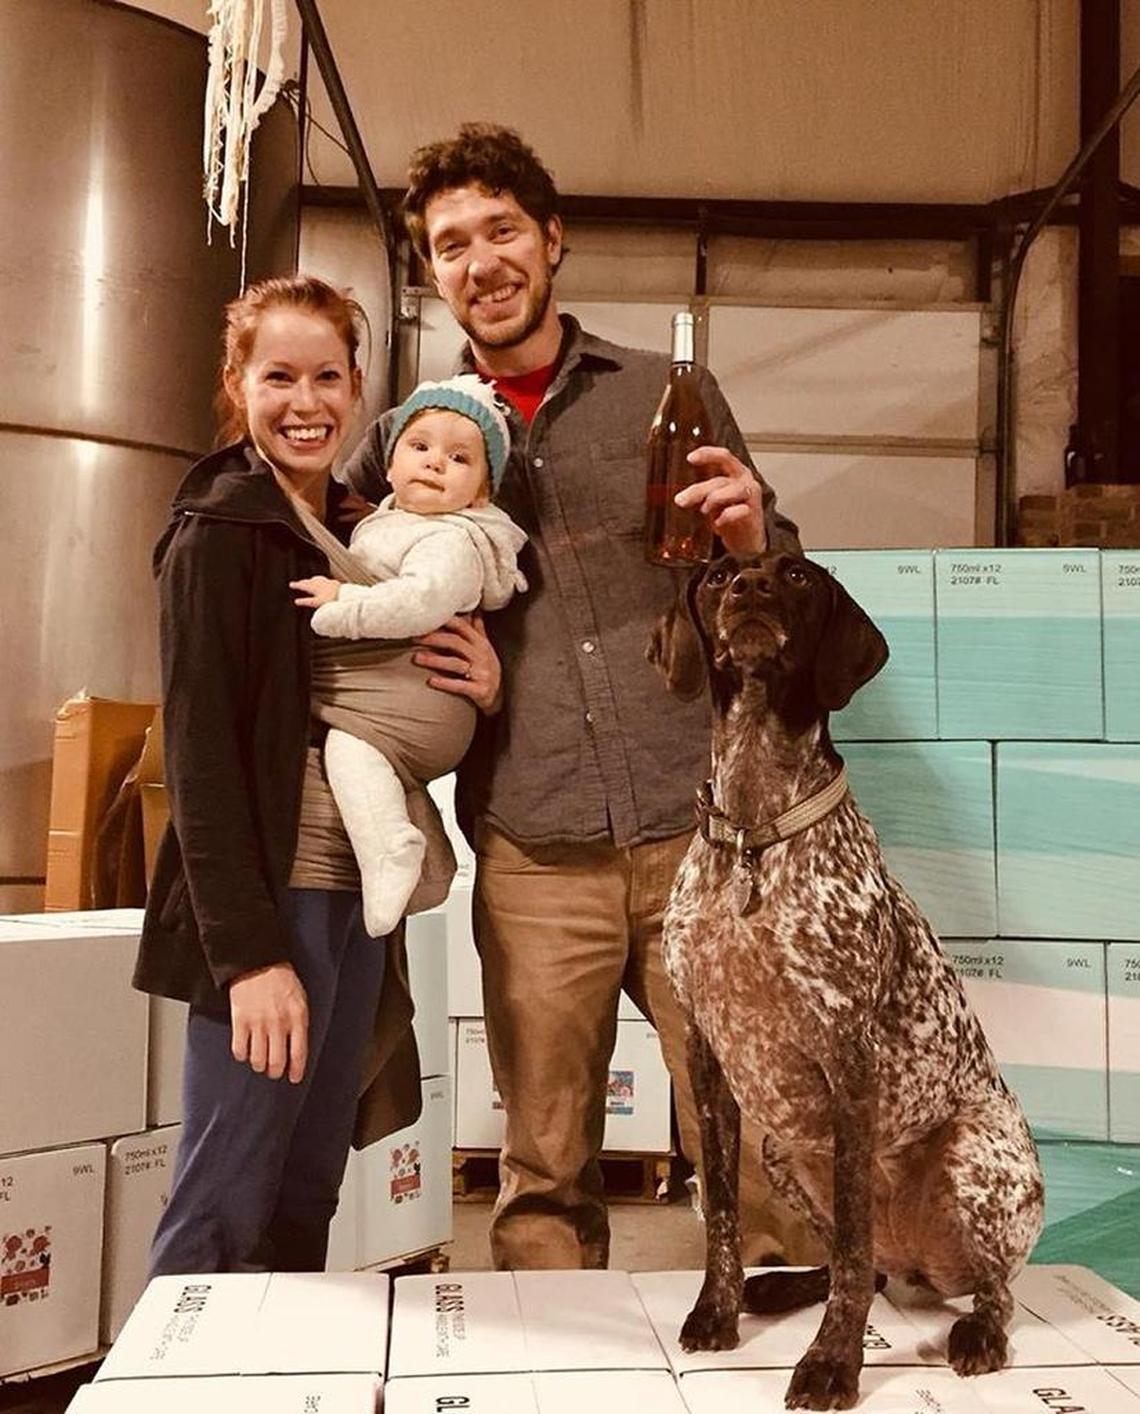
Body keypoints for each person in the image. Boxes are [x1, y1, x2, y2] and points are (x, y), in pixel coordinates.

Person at [344, 124, 822, 1271]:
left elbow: (777, 595)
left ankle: (789, 1335)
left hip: (698, 829)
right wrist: (446, 674)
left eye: (502, 229)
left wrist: (754, 537)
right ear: (432, 272)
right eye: (451, 244)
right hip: (535, 842)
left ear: (552, 239)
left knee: (760, 1146)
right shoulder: (413, 435)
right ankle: (547, 1355)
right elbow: (338, 549)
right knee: (545, 1171)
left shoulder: (666, 393)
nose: (481, 261)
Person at [134, 275, 446, 1275]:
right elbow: (200, 761)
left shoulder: (367, 532)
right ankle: (183, 1358)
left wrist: (476, 675)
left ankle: (280, 1358)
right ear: (238, 383)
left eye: (326, 378)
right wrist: (249, 957)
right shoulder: (220, 530)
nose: (304, 404)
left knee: (308, 1188)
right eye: (278, 377)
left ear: (356, 386)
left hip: (356, 895)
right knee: (226, 1194)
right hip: (276, 899)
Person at [290, 373, 526, 939]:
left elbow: (418, 604)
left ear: (481, 492)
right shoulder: (392, 522)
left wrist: (342, 606)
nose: (435, 462)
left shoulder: (452, 538)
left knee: (351, 747)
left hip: (425, 704)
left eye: (460, 458)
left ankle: (392, 851)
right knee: (363, 759)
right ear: (390, 466)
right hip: (406, 700)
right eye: (419, 446)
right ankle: (408, 848)